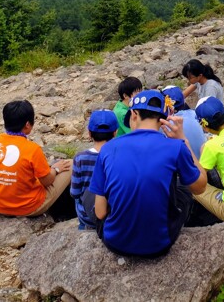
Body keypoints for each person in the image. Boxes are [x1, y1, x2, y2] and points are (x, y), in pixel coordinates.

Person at [89, 90, 207, 258]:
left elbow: (100, 213)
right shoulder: (176, 147)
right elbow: (200, 187)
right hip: (159, 245)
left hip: (115, 243)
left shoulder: (108, 148)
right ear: (162, 120)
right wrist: (184, 141)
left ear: (134, 114)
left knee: (97, 195)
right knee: (184, 188)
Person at [0, 100, 73, 218]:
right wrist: (55, 169)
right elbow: (47, 181)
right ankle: (68, 212)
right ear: (27, 125)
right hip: (27, 207)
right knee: (71, 164)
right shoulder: (32, 149)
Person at [70, 110, 118, 230]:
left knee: (79, 197)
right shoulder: (119, 157)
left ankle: (83, 228)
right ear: (115, 133)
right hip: (111, 215)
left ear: (89, 133)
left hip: (87, 216)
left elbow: (74, 193)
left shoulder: (80, 158)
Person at [161, 85, 207, 159]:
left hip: (188, 166)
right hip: (204, 160)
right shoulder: (195, 114)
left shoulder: (165, 124)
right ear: (183, 101)